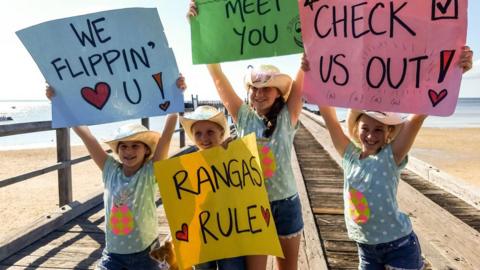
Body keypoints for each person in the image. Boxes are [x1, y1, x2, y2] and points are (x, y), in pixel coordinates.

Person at [300, 46, 473, 269]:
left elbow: (418, 116)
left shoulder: (392, 156)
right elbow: (329, 118)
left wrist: (453, 73)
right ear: (356, 127)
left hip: (398, 246)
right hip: (365, 249)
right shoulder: (350, 156)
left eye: (379, 130)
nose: (371, 135)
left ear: (389, 133)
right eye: (366, 128)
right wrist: (312, 74)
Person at [188, 3, 305, 269]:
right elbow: (218, 78)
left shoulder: (288, 117)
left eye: (267, 88)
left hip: (286, 204)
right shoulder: (244, 117)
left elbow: (304, 71)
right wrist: (199, 28)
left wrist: (309, 49)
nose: (259, 93)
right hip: (251, 206)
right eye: (254, 88)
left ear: (278, 93)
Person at [45, 76, 187, 270]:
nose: (128, 151)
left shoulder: (149, 172)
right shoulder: (110, 169)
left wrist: (176, 96)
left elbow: (167, 134)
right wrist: (59, 103)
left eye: (135, 146)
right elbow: (87, 136)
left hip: (147, 253)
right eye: (123, 147)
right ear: (117, 150)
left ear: (146, 150)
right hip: (112, 254)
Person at [178, 105, 245, 270]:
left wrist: (230, 152)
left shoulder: (231, 156)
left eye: (210, 132)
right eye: (198, 134)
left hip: (231, 233)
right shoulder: (189, 165)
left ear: (222, 134)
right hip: (201, 235)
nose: (204, 138)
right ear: (193, 138)